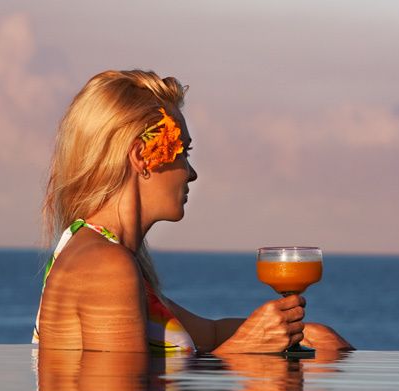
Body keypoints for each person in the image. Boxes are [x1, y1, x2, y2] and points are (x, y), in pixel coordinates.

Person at [33, 69, 352, 353]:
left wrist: (300, 333)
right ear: (142, 156)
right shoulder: (107, 267)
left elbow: (209, 334)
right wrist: (238, 355)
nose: (191, 172)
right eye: (182, 152)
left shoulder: (106, 256)